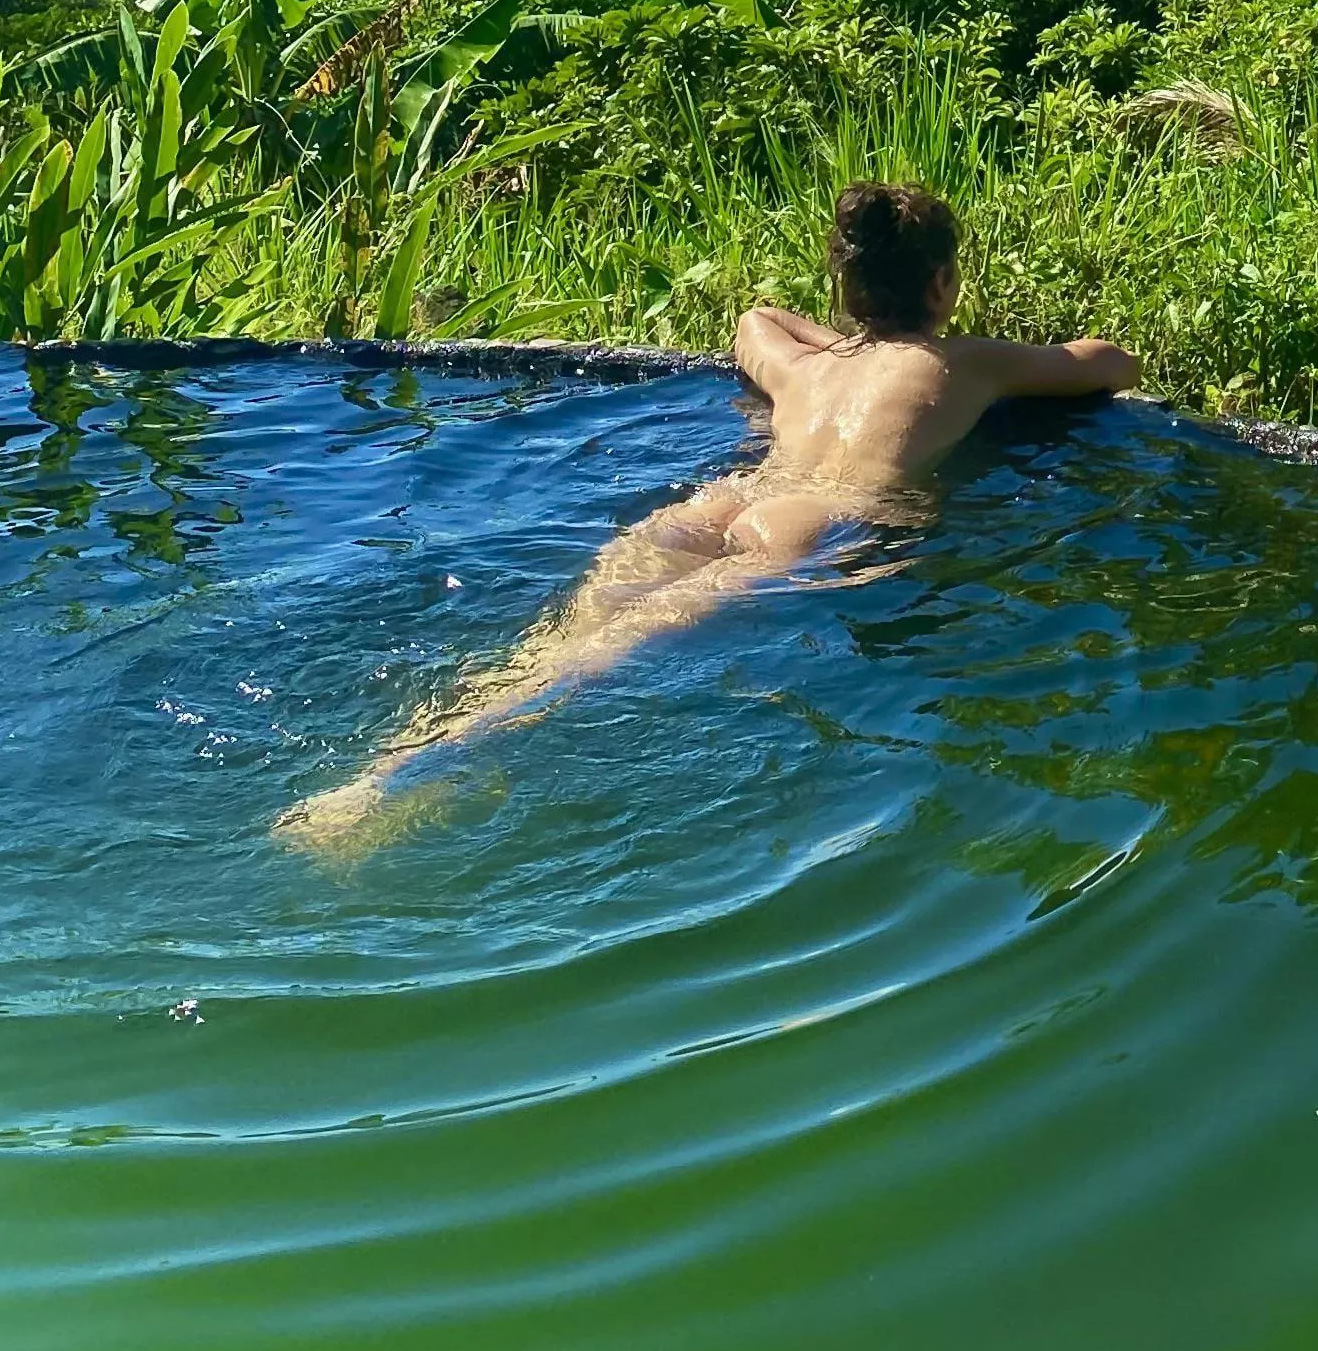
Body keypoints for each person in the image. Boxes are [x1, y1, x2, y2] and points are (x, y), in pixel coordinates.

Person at [277, 183, 1139, 853]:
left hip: (730, 496)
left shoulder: (808, 370)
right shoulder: (970, 362)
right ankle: (391, 788)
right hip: (817, 523)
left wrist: (843, 337)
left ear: (846, 286)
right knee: (597, 663)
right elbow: (1111, 364)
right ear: (944, 282)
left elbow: (756, 320)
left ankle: (397, 755)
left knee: (557, 641)